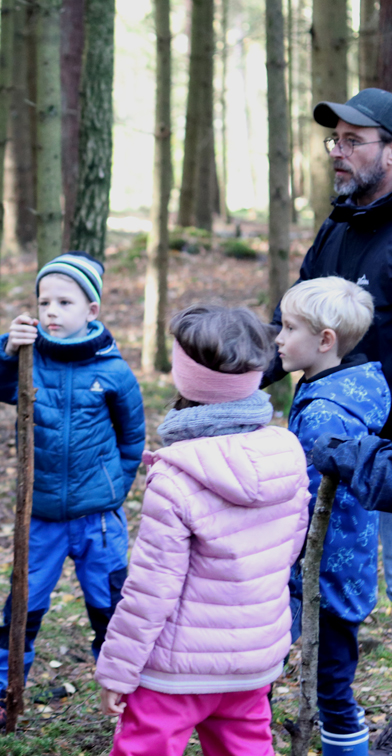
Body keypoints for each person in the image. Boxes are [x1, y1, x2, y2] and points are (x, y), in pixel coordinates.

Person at [95, 304, 310, 756]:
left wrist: (117, 671)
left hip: (176, 671)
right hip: (254, 662)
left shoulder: (174, 476)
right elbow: (289, 549)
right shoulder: (287, 454)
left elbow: (151, 589)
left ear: (186, 377)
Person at [0, 252, 145, 736]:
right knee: (22, 606)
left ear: (92, 310)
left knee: (111, 608)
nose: (52, 312)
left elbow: (133, 439)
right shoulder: (28, 357)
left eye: (65, 302)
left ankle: (130, 698)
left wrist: (111, 490)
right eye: (45, 302)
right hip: (38, 517)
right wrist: (6, 348)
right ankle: (0, 696)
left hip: (98, 520)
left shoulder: (113, 371)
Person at [262, 87, 392, 617]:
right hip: (334, 444)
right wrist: (231, 378)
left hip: (387, 451)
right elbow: (291, 319)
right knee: (330, 587)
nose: (337, 151)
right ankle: (333, 697)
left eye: (353, 141)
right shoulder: (337, 225)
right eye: (334, 140)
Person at [276, 277, 389, 754]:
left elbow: (304, 496)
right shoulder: (352, 384)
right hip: (346, 568)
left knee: (331, 691)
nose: (278, 339)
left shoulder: (326, 411)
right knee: (332, 685)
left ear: (325, 341)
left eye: (289, 328)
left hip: (322, 572)